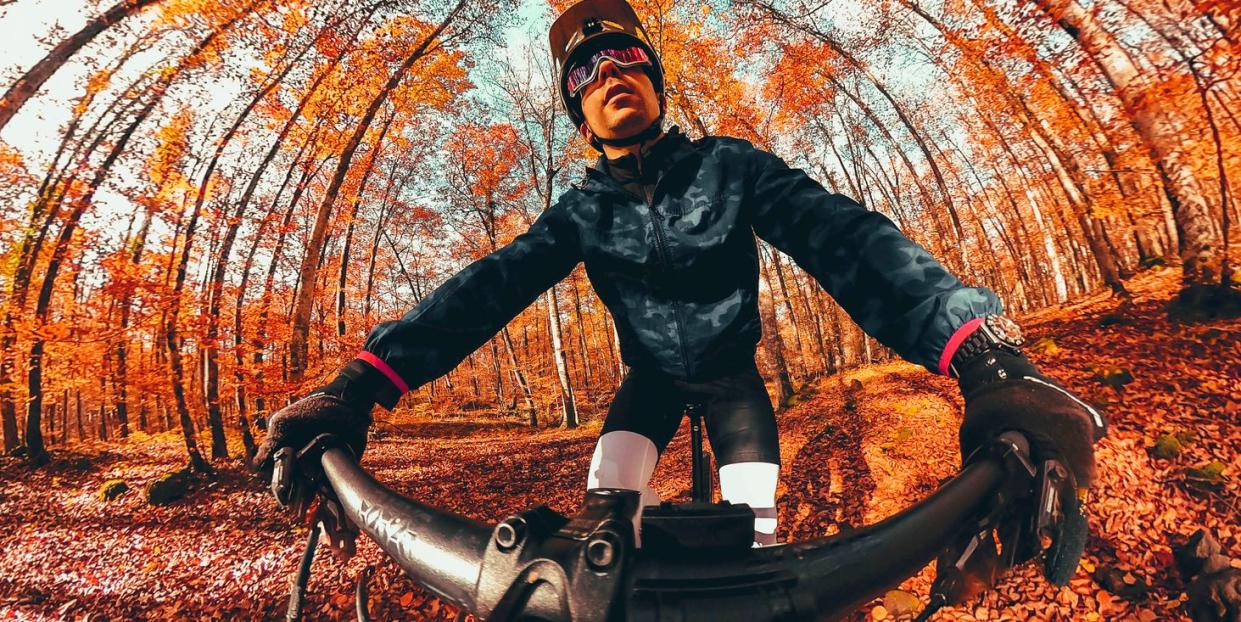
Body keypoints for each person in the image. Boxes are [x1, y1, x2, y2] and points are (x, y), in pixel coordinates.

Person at [253, 0, 1107, 548]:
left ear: (656, 84)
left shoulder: (731, 166)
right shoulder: (580, 211)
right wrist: (360, 383)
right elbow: (487, 288)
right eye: (586, 73)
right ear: (578, 115)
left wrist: (983, 354)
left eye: (627, 59)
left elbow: (847, 240)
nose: (611, 72)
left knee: (760, 538)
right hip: (648, 382)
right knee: (603, 516)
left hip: (736, 381)